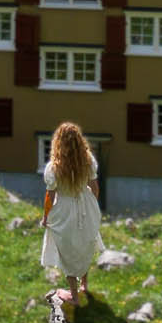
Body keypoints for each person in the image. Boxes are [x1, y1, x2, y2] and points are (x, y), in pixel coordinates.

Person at [40, 121, 102, 308]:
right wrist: (91, 206)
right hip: (86, 204)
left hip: (65, 209)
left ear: (58, 142)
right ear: (79, 140)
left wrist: (45, 217)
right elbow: (95, 188)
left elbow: (50, 196)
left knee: (67, 250)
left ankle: (74, 296)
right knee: (84, 243)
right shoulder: (88, 160)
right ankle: (84, 285)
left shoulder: (54, 167)